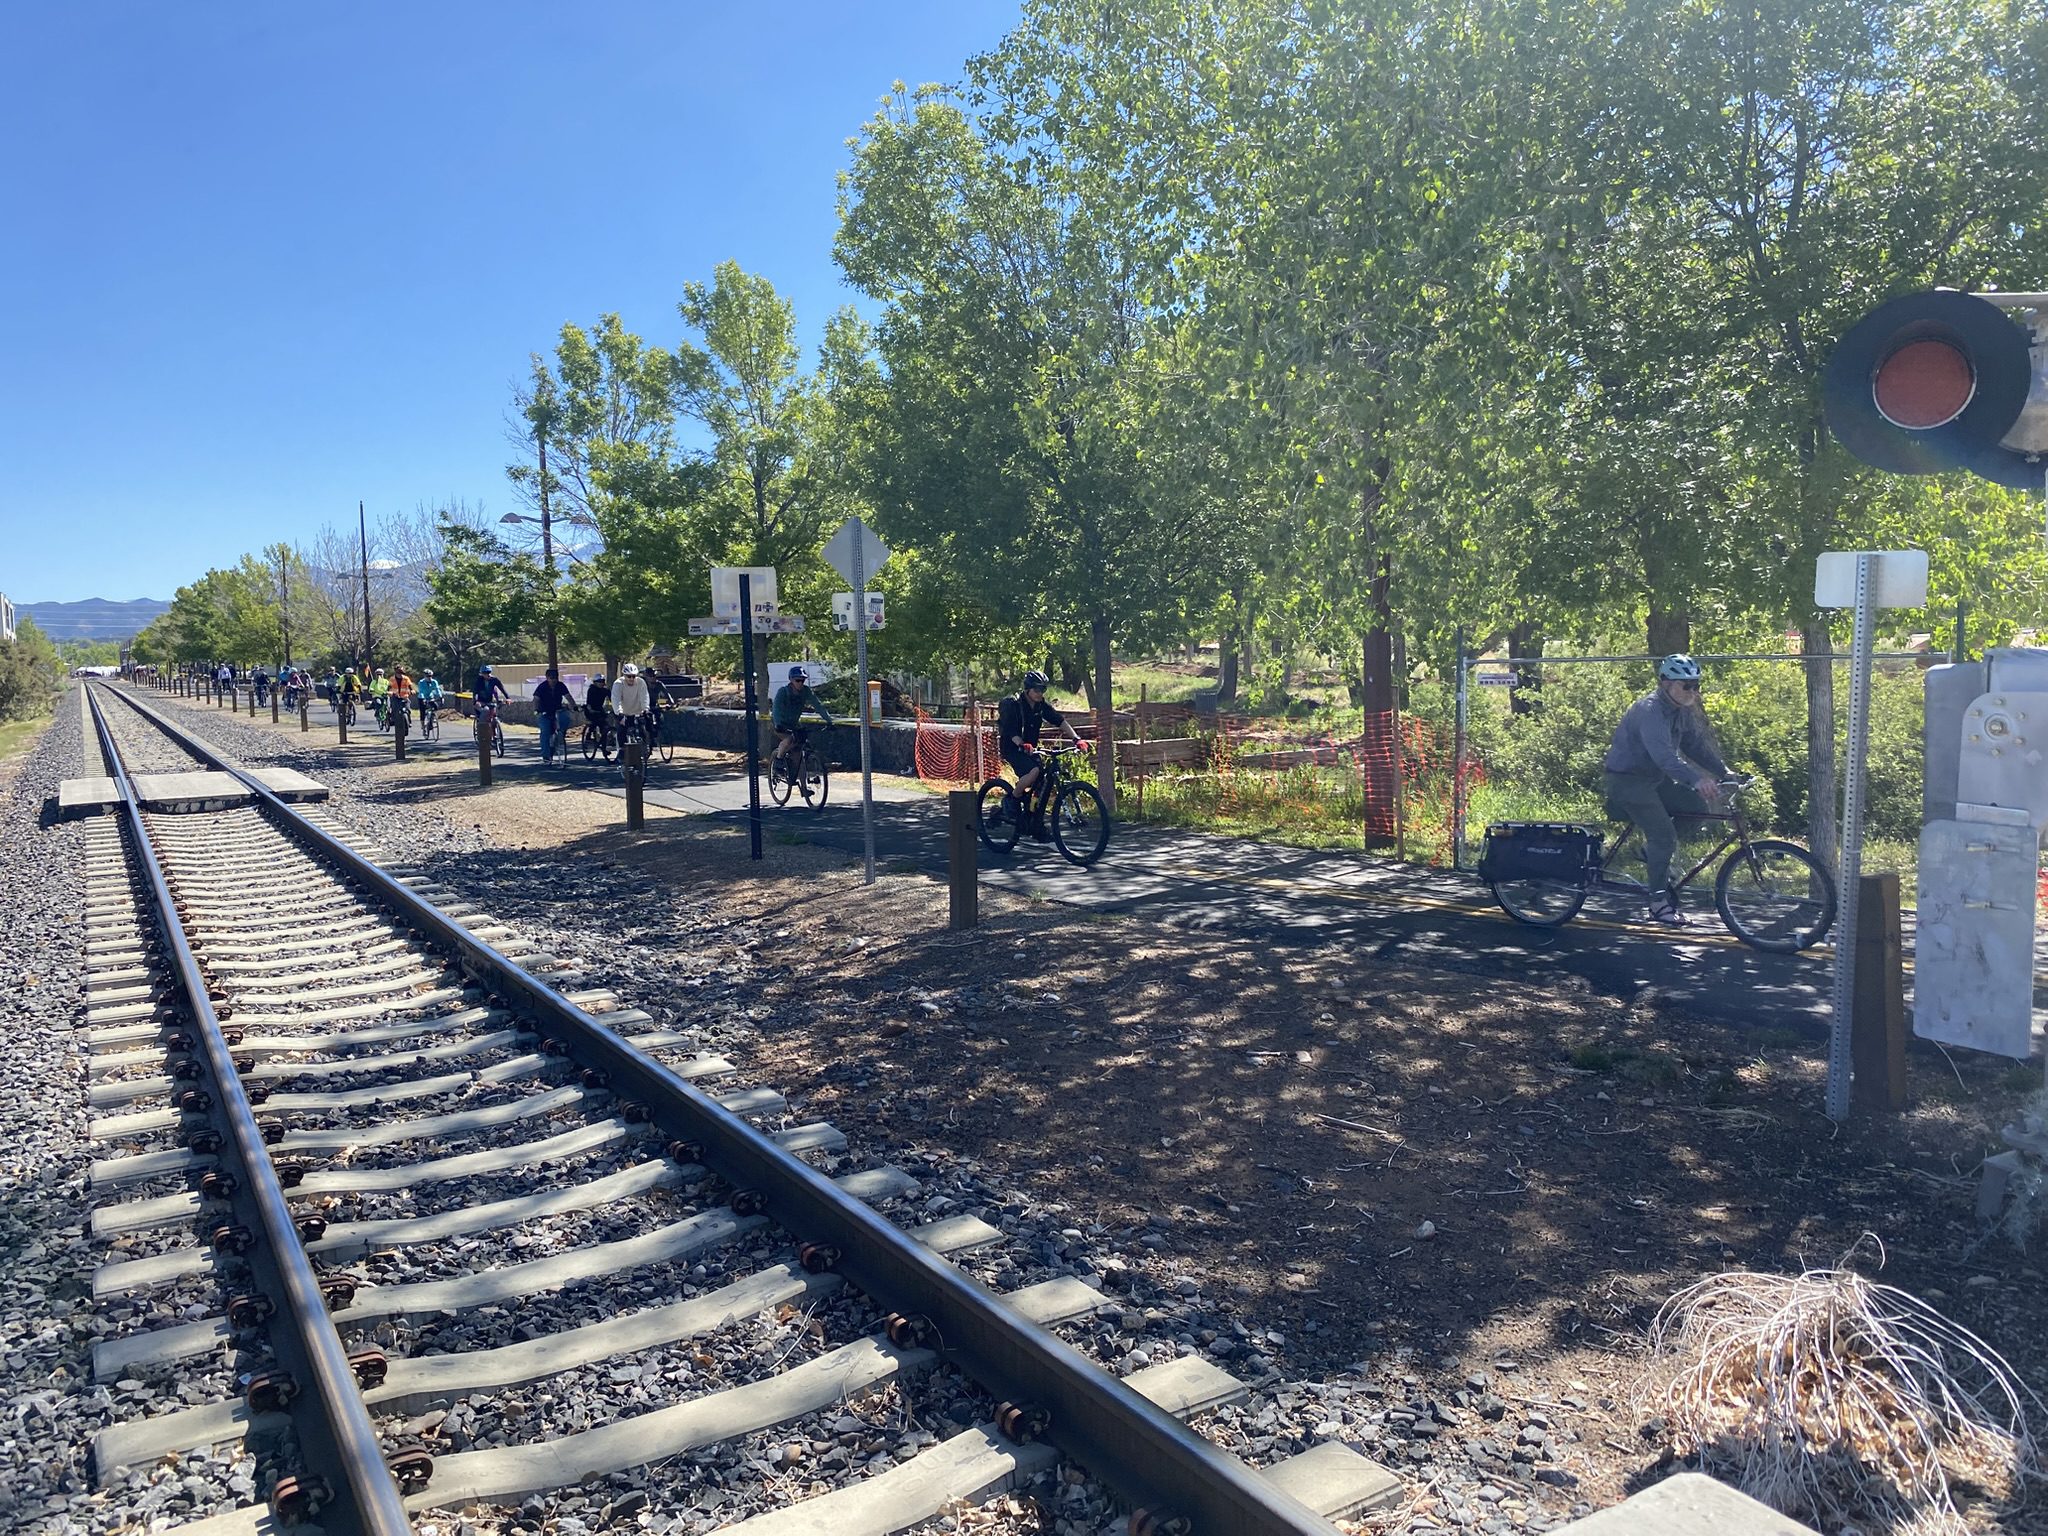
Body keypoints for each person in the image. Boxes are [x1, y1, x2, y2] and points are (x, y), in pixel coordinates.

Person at [1603, 653, 1730, 926]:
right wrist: (1696, 780)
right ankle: (1658, 903)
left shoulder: (1680, 710)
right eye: (1687, 685)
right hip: (1628, 781)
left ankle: (1651, 853)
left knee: (1696, 808)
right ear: (1666, 684)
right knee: (1664, 836)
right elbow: (1664, 758)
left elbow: (1694, 746)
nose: (1693, 691)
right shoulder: (1650, 711)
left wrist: (1725, 772)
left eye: (1696, 685)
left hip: (1654, 780)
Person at [997, 670, 1082, 841]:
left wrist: (1076, 739)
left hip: (1030, 749)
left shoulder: (1041, 706)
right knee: (1034, 771)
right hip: (1012, 748)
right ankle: (1012, 799)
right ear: (1028, 689)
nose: (1040, 693)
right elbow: (1010, 730)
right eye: (1037, 689)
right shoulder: (1015, 705)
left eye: (1043, 689)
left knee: (1042, 782)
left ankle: (1035, 822)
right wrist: (1021, 744)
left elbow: (1059, 720)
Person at [770, 666, 834, 780]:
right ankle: (778, 761)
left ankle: (803, 786)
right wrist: (778, 724)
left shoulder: (806, 691)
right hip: (780, 723)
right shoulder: (783, 692)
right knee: (788, 739)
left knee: (799, 752)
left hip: (794, 724)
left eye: (802, 680)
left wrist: (829, 720)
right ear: (791, 680)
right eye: (797, 680)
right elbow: (776, 709)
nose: (800, 683)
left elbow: (817, 705)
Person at [532, 666, 573, 765]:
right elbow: (536, 699)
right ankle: (546, 756)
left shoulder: (561, 685)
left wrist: (574, 706)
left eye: (555, 678)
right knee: (545, 732)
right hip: (545, 712)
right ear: (547, 678)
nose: (553, 680)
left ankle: (560, 736)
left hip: (557, 710)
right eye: (551, 678)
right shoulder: (542, 687)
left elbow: (568, 697)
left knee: (566, 719)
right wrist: (536, 710)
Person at [388, 665, 416, 730]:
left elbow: (410, 686)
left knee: (408, 709)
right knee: (394, 708)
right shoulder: (392, 679)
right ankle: (393, 719)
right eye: (398, 672)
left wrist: (412, 690)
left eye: (401, 673)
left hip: (404, 696)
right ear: (396, 672)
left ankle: (409, 721)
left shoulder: (406, 678)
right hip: (395, 696)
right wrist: (389, 692)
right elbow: (389, 687)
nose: (400, 674)